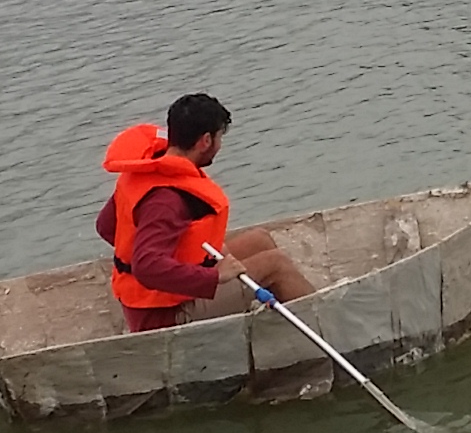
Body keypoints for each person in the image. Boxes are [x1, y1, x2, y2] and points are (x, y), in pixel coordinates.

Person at [96, 92, 316, 332]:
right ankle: (324, 327)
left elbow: (106, 227)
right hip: (165, 315)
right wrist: (213, 277)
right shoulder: (167, 201)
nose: (220, 145)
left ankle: (289, 319)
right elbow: (147, 266)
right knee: (276, 265)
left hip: (159, 294)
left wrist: (181, 253)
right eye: (219, 137)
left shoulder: (146, 173)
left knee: (259, 240)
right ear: (206, 141)